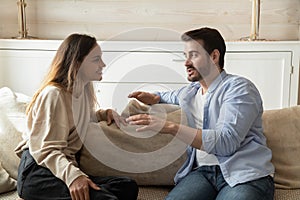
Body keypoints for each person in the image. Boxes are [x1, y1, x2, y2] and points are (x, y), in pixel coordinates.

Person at [127, 27, 275, 200]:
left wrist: (170, 127)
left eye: (194, 55)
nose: (186, 63)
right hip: (203, 173)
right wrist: (155, 97)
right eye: (185, 56)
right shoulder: (190, 93)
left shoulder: (239, 89)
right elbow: (169, 95)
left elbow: (227, 142)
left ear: (214, 56)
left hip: (244, 174)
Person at [15, 33, 139, 200]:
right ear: (77, 63)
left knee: (127, 186)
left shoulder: (81, 93)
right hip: (38, 171)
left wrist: (104, 113)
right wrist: (74, 177)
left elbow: (78, 119)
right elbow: (46, 150)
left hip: (61, 167)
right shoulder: (54, 94)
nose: (102, 64)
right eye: (96, 59)